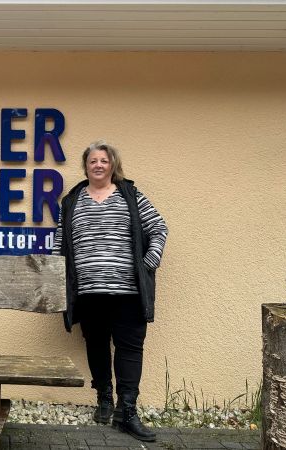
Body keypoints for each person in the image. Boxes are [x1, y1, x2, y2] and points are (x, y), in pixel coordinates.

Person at [52, 140, 168, 442]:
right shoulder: (72, 200)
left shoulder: (130, 195)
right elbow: (60, 242)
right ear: (86, 166)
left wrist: (149, 263)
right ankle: (104, 398)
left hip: (128, 292)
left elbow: (158, 228)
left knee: (130, 348)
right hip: (88, 291)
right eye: (93, 161)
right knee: (97, 345)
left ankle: (127, 411)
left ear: (112, 165)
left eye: (104, 160)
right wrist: (55, 276)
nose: (98, 165)